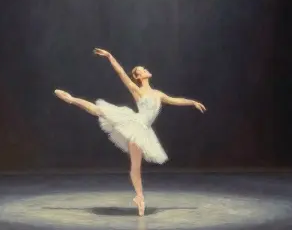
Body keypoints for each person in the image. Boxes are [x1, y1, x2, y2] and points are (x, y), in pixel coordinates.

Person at [55, 48, 206, 216]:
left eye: (144, 68)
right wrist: (110, 57)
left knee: (136, 166)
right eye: (142, 70)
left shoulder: (158, 93)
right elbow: (121, 74)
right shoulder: (137, 90)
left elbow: (175, 100)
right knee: (100, 110)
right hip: (134, 123)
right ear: (138, 76)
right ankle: (71, 99)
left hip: (143, 130)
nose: (146, 70)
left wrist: (192, 102)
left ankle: (139, 198)